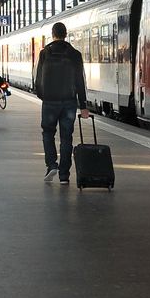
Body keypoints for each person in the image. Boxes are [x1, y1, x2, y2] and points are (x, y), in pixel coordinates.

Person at [35, 22, 89, 185]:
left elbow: (38, 79)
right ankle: (64, 175)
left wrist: (43, 96)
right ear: (66, 34)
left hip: (50, 101)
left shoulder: (45, 53)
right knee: (66, 138)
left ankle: (51, 165)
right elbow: (80, 81)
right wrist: (84, 105)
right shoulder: (75, 54)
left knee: (47, 133)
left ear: (53, 34)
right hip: (69, 103)